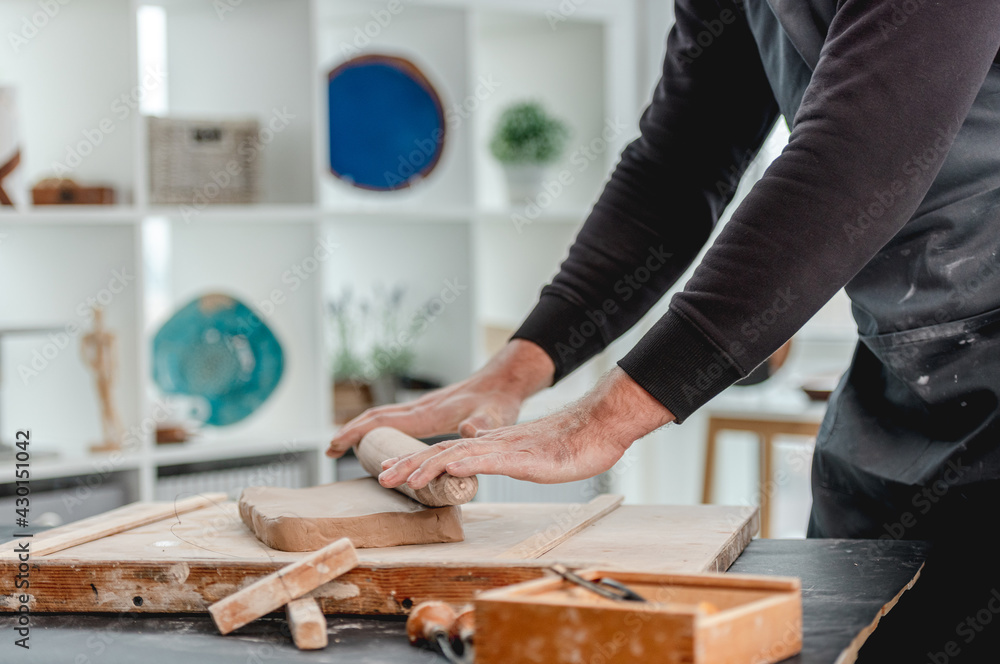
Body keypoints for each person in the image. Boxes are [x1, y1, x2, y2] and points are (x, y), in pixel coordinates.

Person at [330, 1, 1000, 659]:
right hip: (895, 384)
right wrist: (512, 375)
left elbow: (856, 157)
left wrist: (602, 420)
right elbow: (677, 169)